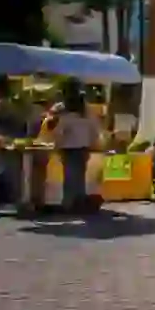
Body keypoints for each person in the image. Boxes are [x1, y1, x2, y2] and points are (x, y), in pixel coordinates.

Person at [51, 79, 101, 213]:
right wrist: (93, 143)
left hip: (69, 148)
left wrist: (57, 146)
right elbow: (94, 129)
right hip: (83, 147)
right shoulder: (86, 110)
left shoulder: (63, 110)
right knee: (79, 176)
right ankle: (79, 202)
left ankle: (69, 204)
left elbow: (60, 131)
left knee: (70, 177)